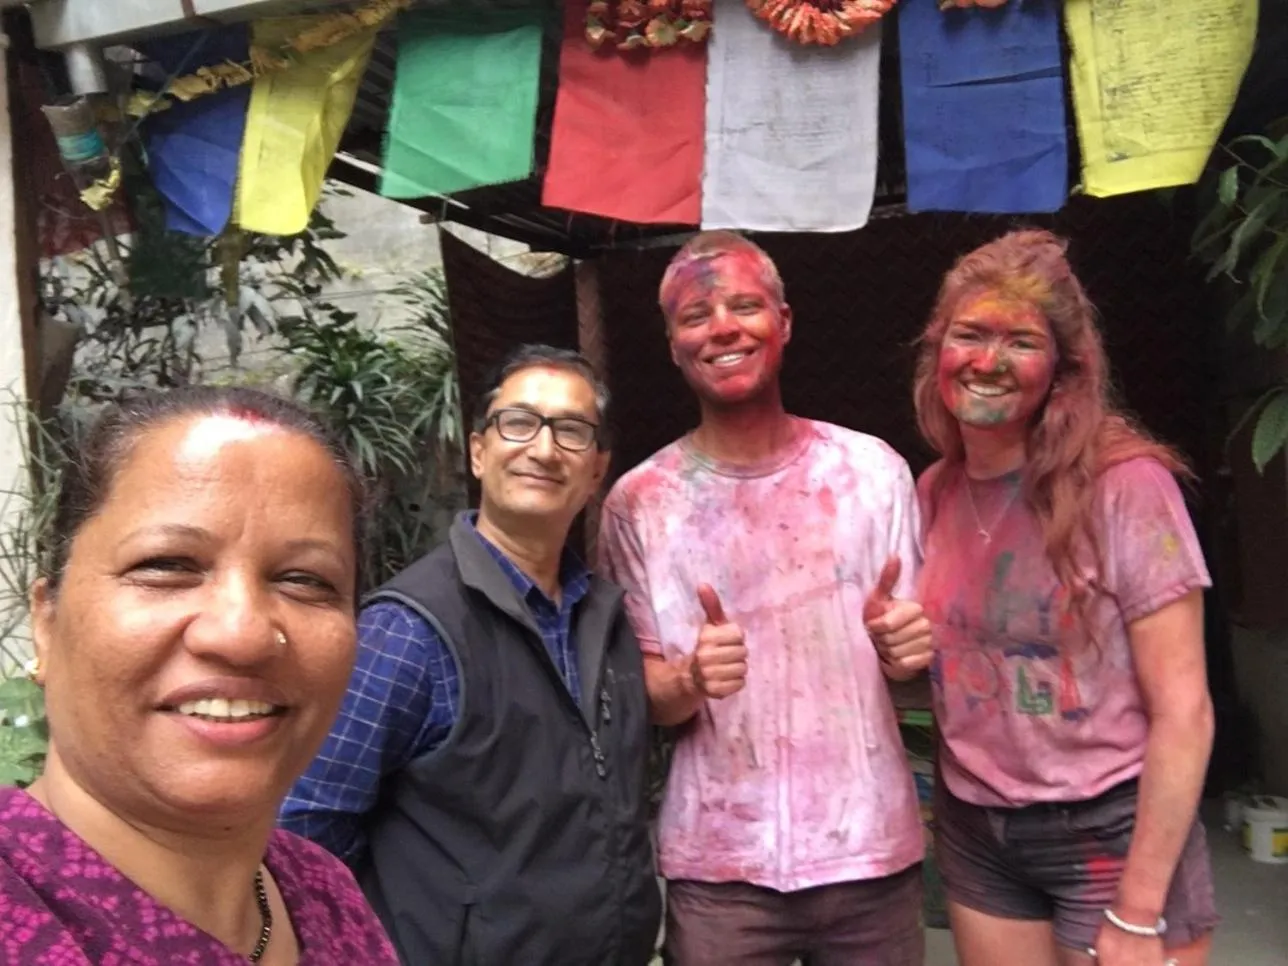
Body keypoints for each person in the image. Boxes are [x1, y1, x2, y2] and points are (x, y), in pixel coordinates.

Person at [597, 231, 934, 966]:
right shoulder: (641, 502)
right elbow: (643, 696)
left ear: (784, 320)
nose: (723, 327)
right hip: (720, 867)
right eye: (696, 314)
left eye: (745, 305)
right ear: (672, 343)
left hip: (866, 851)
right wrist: (688, 679)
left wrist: (907, 652)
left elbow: (917, 677)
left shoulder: (871, 472)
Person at [281, 344, 662, 966]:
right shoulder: (409, 631)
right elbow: (307, 826)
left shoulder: (604, 616)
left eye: (571, 430)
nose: (543, 448)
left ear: (597, 470)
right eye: (519, 423)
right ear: (479, 452)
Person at [0, 386, 397, 965]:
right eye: (165, 565)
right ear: (46, 621)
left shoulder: (326, 895)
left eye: (305, 579)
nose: (243, 634)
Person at [912, 229, 1218, 966]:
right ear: (938, 352)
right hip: (980, 827)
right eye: (969, 335)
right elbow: (952, 666)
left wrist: (1141, 910)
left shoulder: (1125, 486)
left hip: (1111, 823)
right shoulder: (933, 493)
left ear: (1063, 368)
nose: (989, 362)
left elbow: (1186, 709)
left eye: (1020, 340)